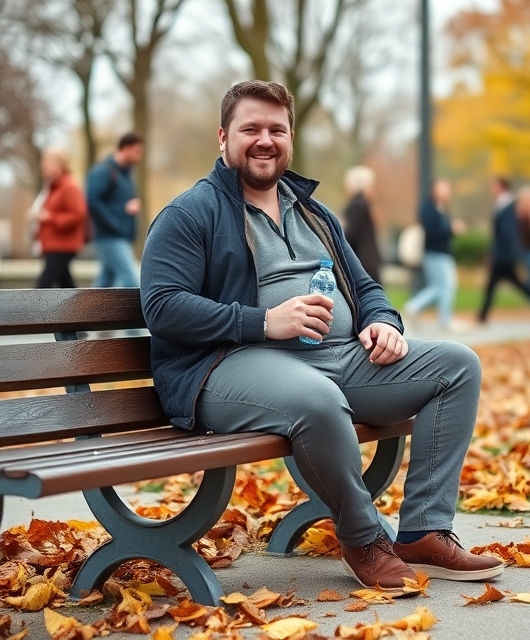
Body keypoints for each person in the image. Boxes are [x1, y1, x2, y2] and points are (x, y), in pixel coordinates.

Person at [140, 80, 503, 595]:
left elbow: (366, 287)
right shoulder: (191, 213)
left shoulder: (312, 211)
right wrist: (264, 321)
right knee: (318, 399)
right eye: (250, 129)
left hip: (337, 357)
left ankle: (424, 532)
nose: (265, 140)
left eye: (277, 129)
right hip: (229, 365)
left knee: (457, 365)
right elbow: (163, 307)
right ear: (223, 137)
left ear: (290, 139)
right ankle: (363, 538)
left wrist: (383, 323)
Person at [478, 177, 530, 323]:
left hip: (505, 255)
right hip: (503, 254)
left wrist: (513, 254)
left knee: (518, 284)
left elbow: (508, 232)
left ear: (500, 187)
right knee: (505, 284)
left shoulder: (508, 205)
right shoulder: (506, 206)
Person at [403, 178, 466, 330]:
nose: (446, 191)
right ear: (434, 190)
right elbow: (432, 231)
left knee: (441, 287)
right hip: (435, 254)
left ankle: (443, 318)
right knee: (444, 286)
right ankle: (415, 307)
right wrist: (452, 229)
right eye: (442, 188)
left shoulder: (441, 209)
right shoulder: (428, 209)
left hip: (441, 253)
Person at [86, 132, 144, 287]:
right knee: (132, 279)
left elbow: (114, 203)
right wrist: (116, 223)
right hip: (110, 237)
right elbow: (92, 200)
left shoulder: (125, 175)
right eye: (137, 152)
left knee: (105, 283)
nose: (139, 157)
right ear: (125, 148)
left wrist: (129, 208)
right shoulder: (104, 171)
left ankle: (90, 311)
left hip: (119, 236)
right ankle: (134, 312)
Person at [32, 147, 87, 288]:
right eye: (43, 161)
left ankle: (29, 310)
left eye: (48, 161)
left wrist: (50, 217)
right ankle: (80, 310)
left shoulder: (69, 187)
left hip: (62, 245)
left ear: (60, 165)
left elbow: (78, 214)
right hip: (53, 244)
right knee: (66, 285)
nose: (44, 165)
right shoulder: (52, 187)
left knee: (43, 286)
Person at [342, 165, 382, 283]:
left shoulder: (358, 205)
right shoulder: (359, 206)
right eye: (372, 186)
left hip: (364, 262)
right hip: (364, 264)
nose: (374, 190)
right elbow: (350, 235)